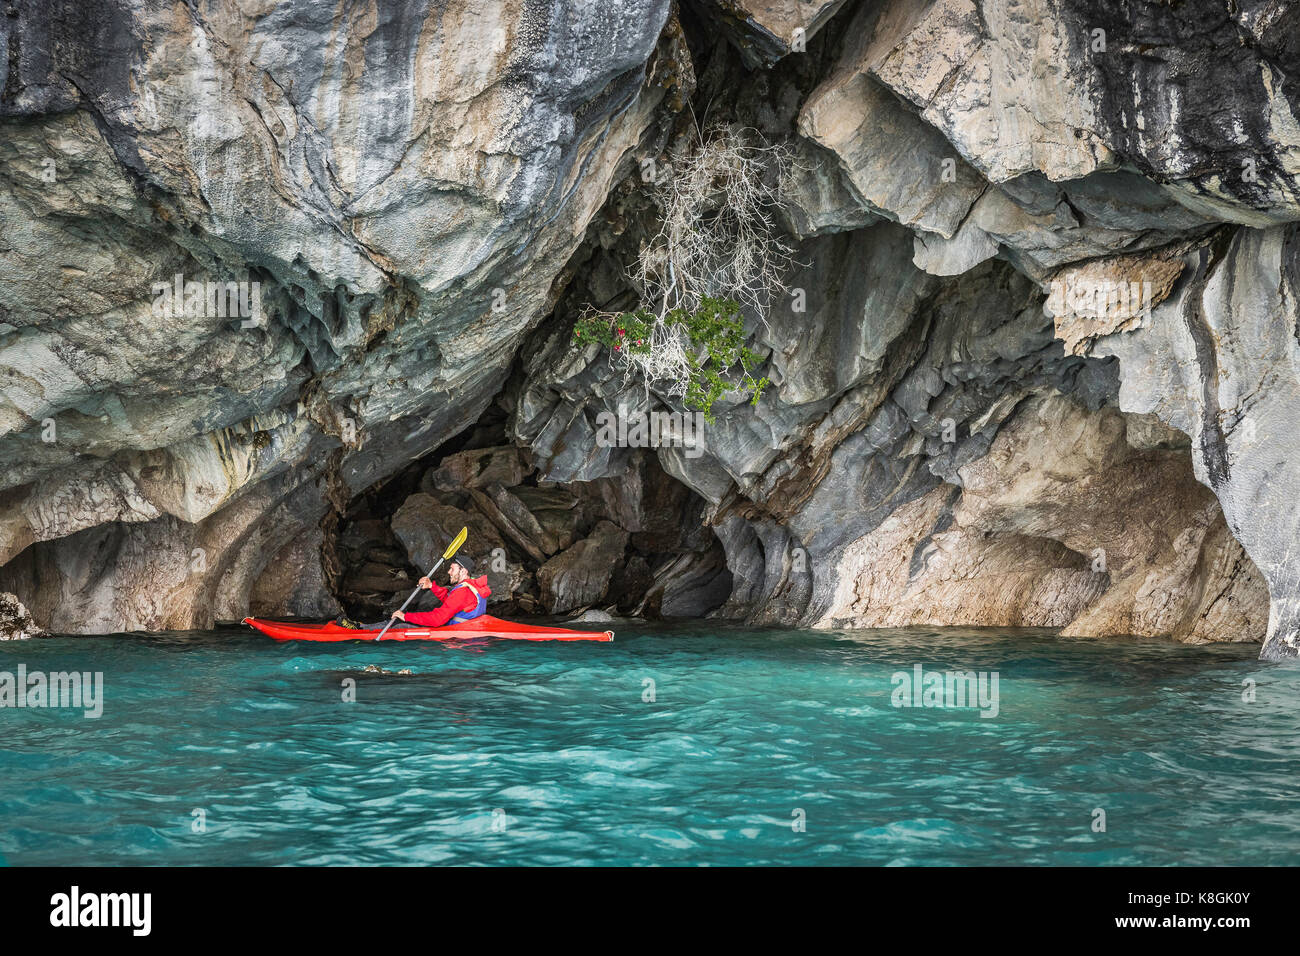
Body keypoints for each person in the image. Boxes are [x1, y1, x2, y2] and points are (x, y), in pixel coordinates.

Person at [387, 554, 491, 628]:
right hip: (469, 629)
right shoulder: (474, 585)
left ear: (463, 571)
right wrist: (431, 586)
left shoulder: (463, 592)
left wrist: (406, 616)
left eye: (452, 569)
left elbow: (437, 619)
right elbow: (452, 602)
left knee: (399, 625)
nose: (449, 572)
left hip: (457, 637)